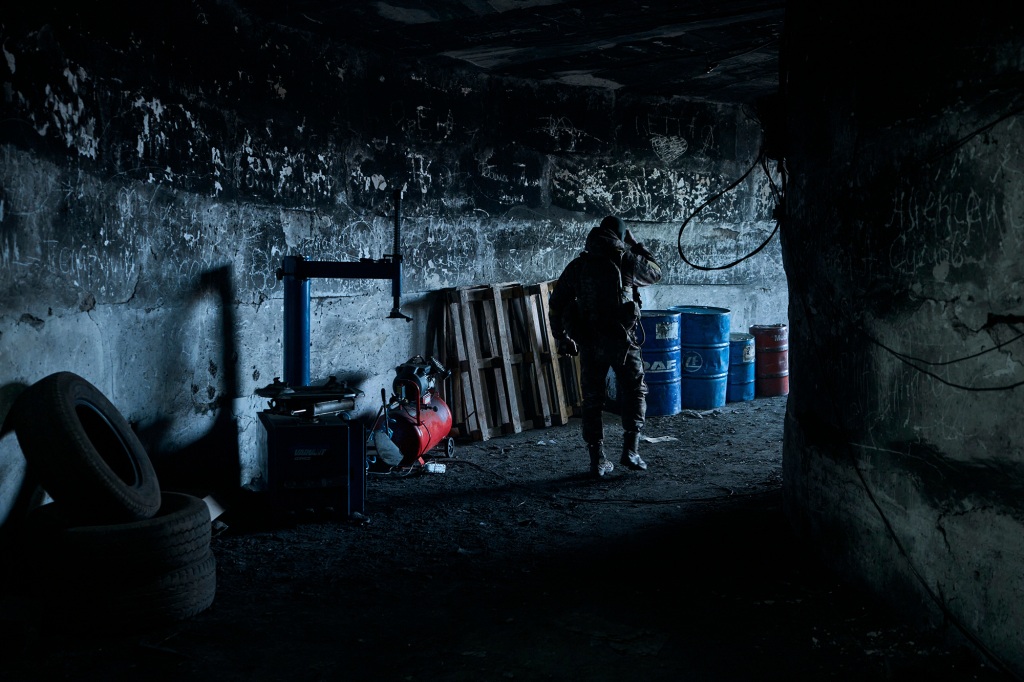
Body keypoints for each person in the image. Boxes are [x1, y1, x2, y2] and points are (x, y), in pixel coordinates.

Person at [548, 215, 662, 478]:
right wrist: (636, 244)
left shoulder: (579, 266)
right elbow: (657, 271)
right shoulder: (627, 261)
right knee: (635, 391)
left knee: (592, 400)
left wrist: (561, 337)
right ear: (620, 236)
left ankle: (597, 460)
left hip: (590, 342)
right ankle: (631, 450)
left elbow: (556, 302)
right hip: (622, 341)